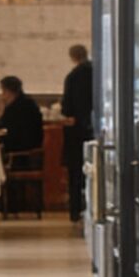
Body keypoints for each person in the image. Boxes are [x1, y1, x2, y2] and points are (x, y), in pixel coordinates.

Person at [61, 44, 94, 223]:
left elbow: (67, 107)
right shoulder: (95, 73)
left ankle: (75, 210)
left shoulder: (73, 77)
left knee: (75, 172)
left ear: (72, 57)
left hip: (76, 132)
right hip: (94, 129)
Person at [0, 76, 45, 159]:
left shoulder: (21, 106)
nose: (2, 95)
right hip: (23, 143)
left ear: (9, 91)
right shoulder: (27, 102)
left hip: (23, 148)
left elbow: (9, 127)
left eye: (3, 91)